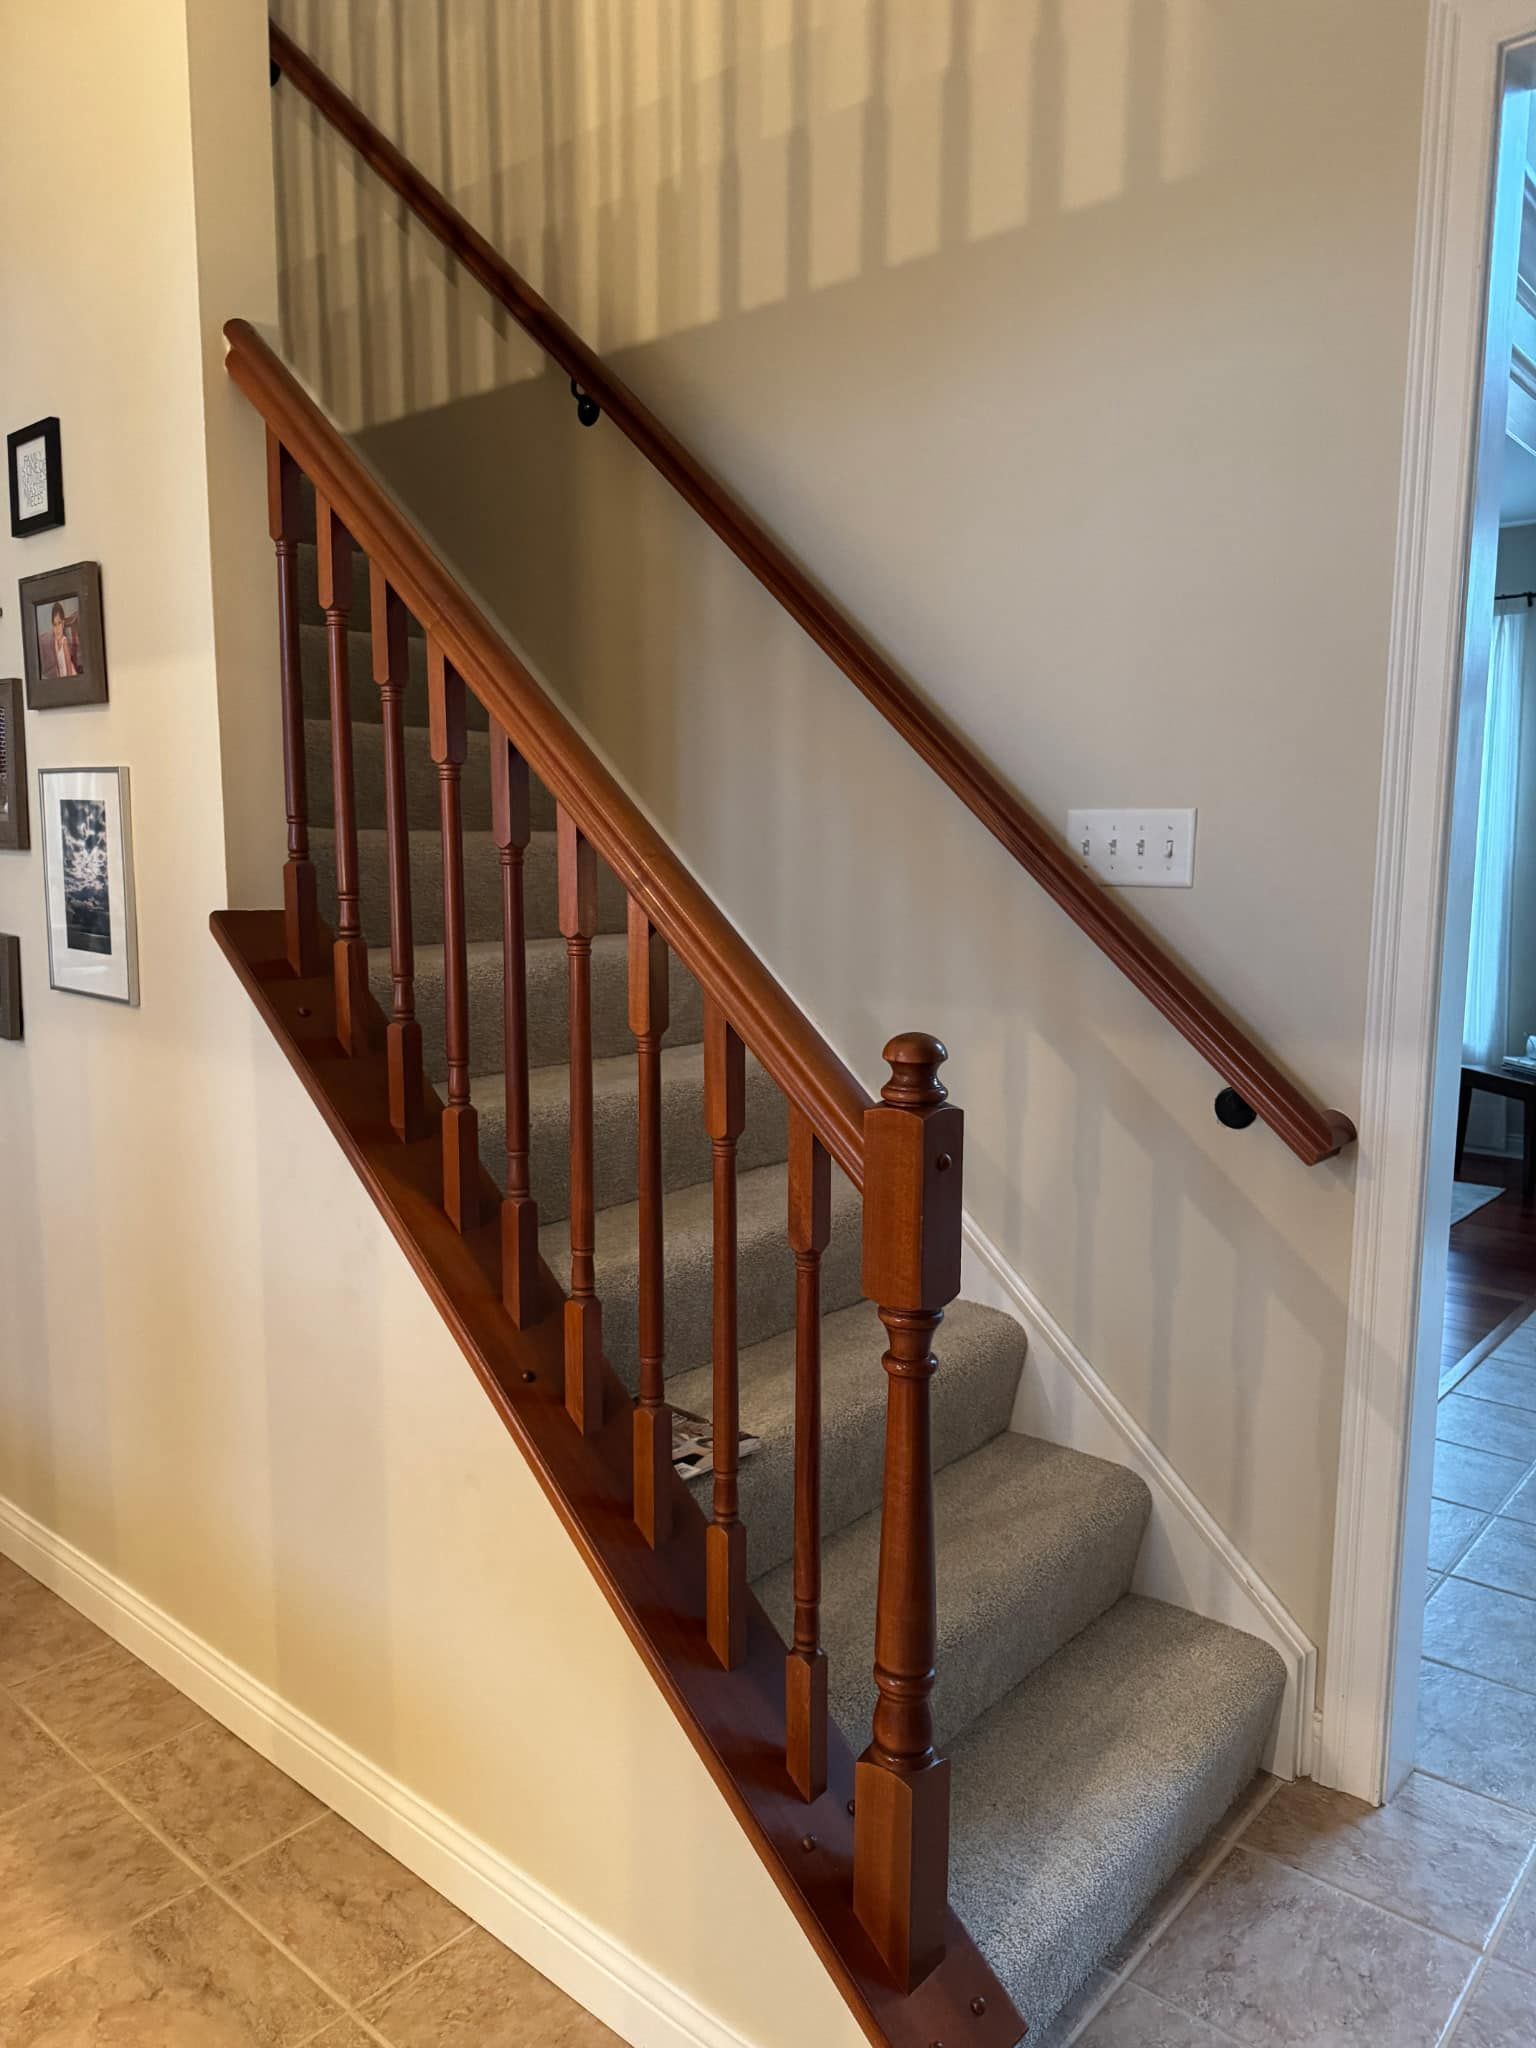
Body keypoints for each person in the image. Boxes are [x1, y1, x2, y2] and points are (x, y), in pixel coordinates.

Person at [39, 601, 81, 680]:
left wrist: (69, 681)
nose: (57, 628)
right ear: (52, 625)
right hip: (62, 676)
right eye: (55, 624)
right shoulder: (54, 641)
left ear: (63, 623)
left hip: (70, 674)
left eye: (59, 623)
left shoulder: (64, 642)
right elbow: (57, 664)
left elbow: (68, 666)